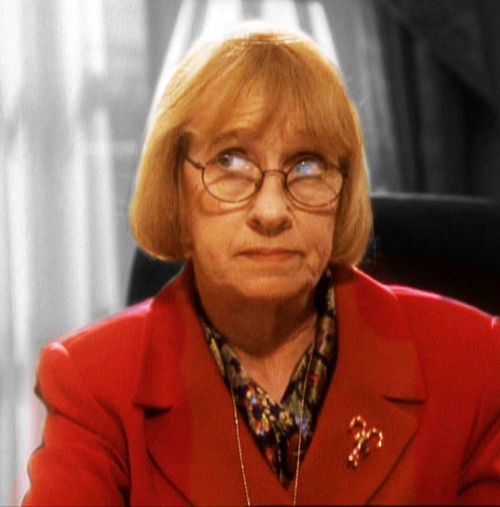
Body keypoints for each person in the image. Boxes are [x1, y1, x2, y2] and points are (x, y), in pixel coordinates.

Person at [23, 22, 500, 506]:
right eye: (229, 162)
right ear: (175, 189)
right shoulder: (92, 383)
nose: (271, 211)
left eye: (307, 165)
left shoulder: (475, 362)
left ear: (343, 191)